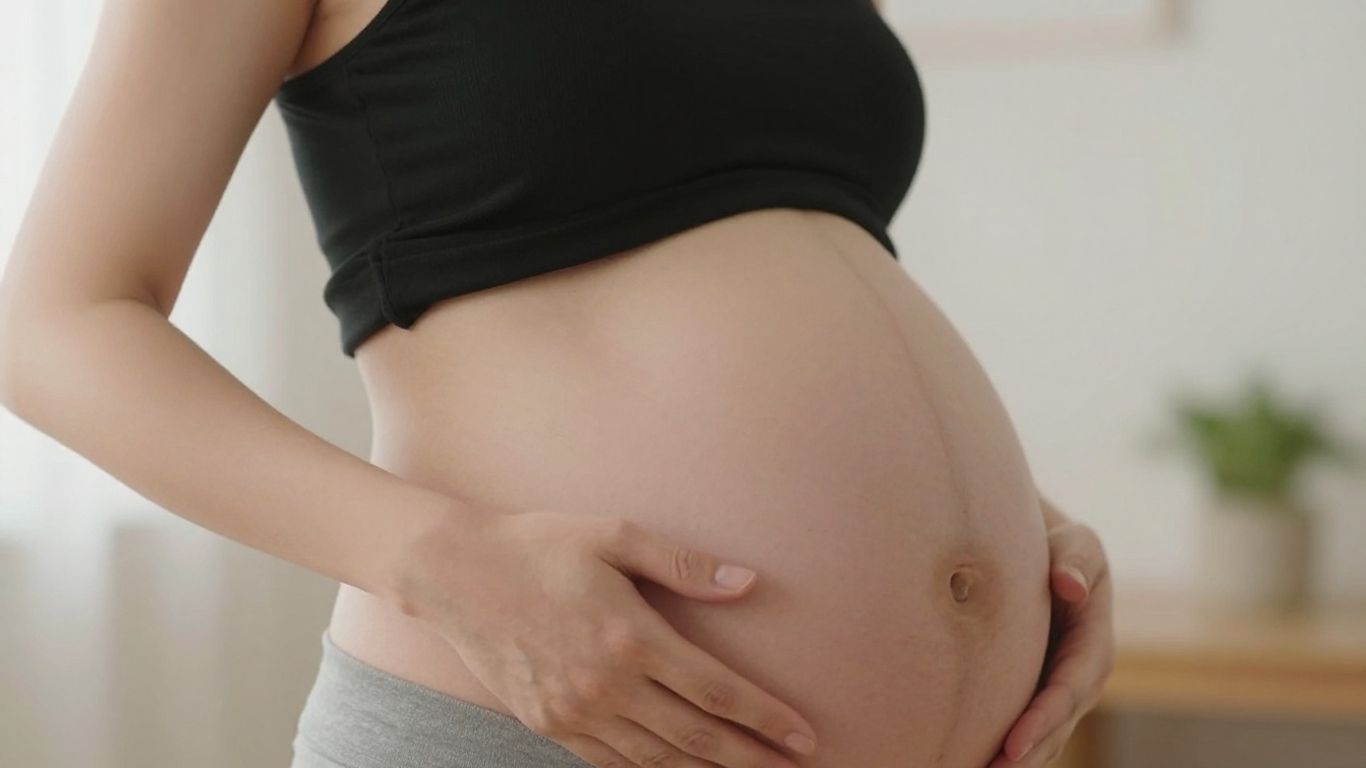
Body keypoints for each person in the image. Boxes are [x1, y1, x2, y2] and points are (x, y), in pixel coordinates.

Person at [0, 0, 1115, 766]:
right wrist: (442, 564)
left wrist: (1019, 534)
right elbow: (53, 322)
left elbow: (789, 273)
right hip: (553, 725)